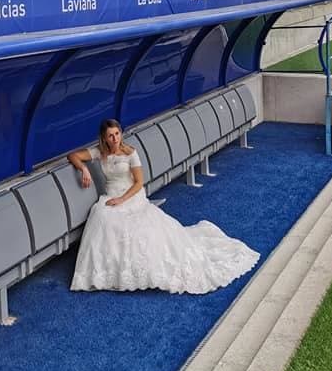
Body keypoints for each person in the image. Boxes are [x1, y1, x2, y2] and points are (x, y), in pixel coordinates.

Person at [67, 118, 260, 294]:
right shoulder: (100, 153)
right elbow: (74, 155)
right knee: (101, 215)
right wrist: (84, 168)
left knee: (129, 226)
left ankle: (135, 270)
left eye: (117, 133)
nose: (115, 138)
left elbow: (138, 183)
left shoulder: (131, 153)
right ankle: (106, 272)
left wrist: (121, 200)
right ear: (104, 138)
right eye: (110, 135)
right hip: (110, 195)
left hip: (131, 196)